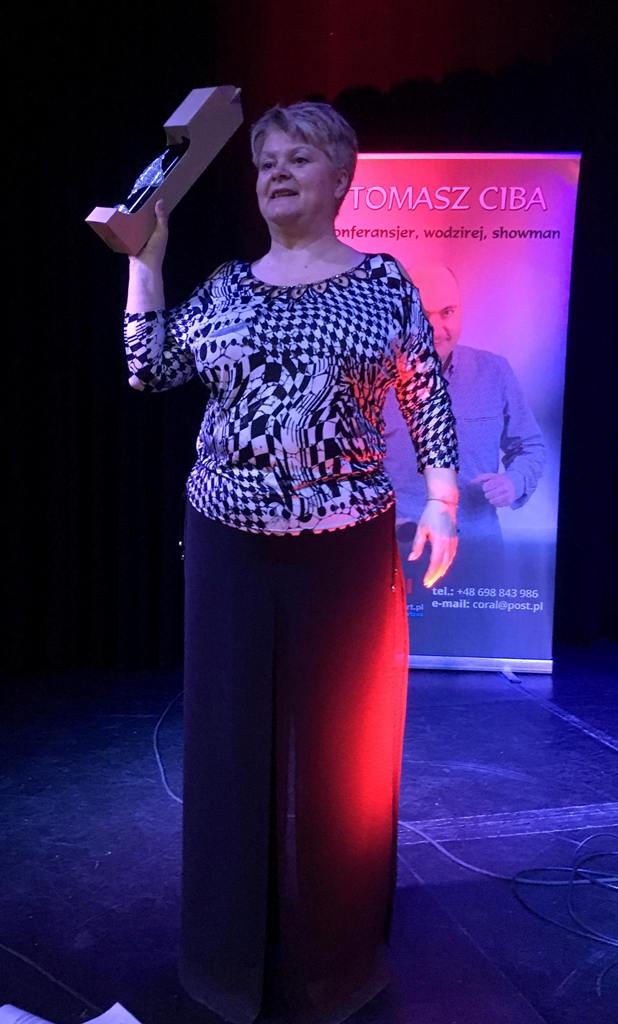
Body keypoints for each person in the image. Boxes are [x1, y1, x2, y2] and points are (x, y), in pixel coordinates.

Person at [122, 102, 459, 1024]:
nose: (275, 170)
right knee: (226, 746)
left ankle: (334, 962)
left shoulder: (381, 284)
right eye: (265, 159)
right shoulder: (226, 287)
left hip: (344, 546)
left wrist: (443, 497)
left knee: (341, 758)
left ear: (340, 178)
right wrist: (145, 264)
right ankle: (223, 961)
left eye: (298, 157)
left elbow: (423, 390)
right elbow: (149, 370)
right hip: (227, 542)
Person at [384, 262, 546, 558]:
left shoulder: (495, 372)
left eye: (447, 312)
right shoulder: (372, 381)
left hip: (479, 552)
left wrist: (515, 481)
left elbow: (530, 447)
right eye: (423, 314)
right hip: (397, 551)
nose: (436, 329)